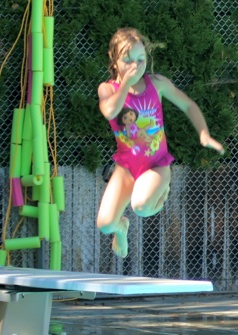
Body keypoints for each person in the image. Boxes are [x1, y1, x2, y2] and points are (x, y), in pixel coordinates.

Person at [96, 27, 224, 257]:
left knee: (142, 207)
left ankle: (162, 191)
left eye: (140, 59)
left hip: (156, 165)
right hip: (126, 168)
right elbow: (109, 111)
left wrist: (203, 133)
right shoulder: (108, 89)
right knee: (105, 224)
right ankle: (122, 228)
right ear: (114, 62)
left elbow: (188, 104)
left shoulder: (157, 84)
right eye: (127, 60)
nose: (135, 65)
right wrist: (126, 82)